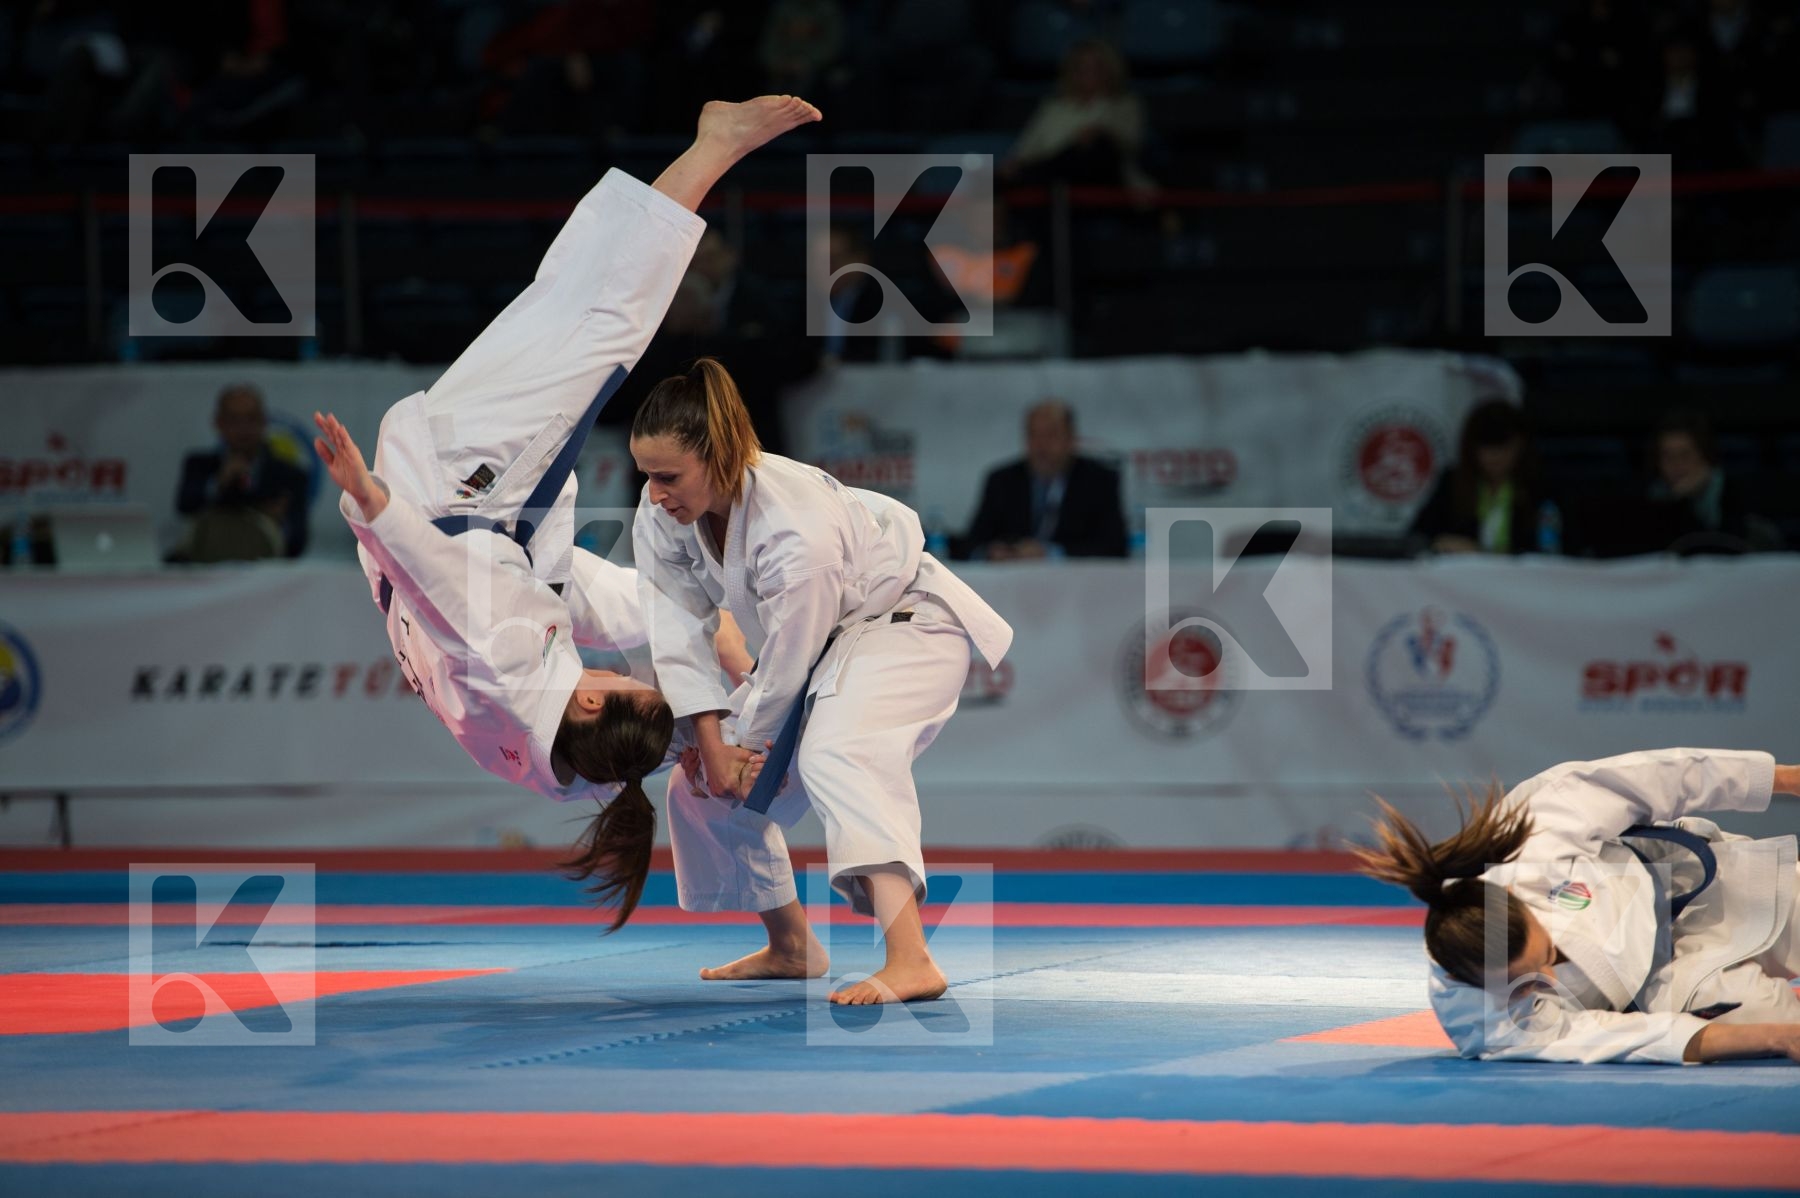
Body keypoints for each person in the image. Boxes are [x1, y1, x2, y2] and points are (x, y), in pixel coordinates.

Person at [312, 96, 819, 928]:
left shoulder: (508, 661)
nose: (622, 673)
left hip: (458, 490)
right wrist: (711, 688)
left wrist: (372, 503)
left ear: (592, 704)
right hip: (490, 521)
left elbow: (443, 583)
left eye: (625, 687)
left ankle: (715, 145)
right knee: (568, 309)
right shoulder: (559, 756)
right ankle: (705, 151)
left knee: (607, 328)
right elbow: (584, 601)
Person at [630, 357, 1013, 1005]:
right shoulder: (662, 512)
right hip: (827, 648)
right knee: (698, 782)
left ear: (719, 457)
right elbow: (675, 628)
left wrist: (747, 745)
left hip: (905, 625)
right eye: (647, 477)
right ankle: (791, 945)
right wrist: (715, 743)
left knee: (841, 751)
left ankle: (912, 958)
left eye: (668, 476)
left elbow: (791, 655)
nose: (656, 493)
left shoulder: (792, 523)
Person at [1357, 747, 1800, 1065]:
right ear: (1464, 979)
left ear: (1517, 902)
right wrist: (1777, 1038)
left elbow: (1654, 779)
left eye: (1545, 955)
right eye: (1522, 983)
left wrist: (1787, 779)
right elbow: (1620, 1037)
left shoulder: (1529, 841)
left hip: (1686, 886)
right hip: (1666, 985)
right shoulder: (1478, 1017)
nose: (1547, 980)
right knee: (1768, 1025)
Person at [961, 401, 1127, 560]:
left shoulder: (1099, 481)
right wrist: (991, 552)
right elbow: (972, 543)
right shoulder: (1002, 481)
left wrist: (1051, 553)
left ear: (1071, 439)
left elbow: (1114, 546)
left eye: (1051, 435)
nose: (1041, 445)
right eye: (1034, 435)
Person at [175, 383, 311, 560]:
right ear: (219, 423)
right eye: (234, 420)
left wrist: (278, 523)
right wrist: (218, 484)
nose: (243, 428)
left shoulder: (290, 475)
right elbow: (185, 505)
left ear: (263, 422)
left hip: (263, 573)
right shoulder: (200, 466)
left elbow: (297, 542)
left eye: (251, 419)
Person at [1001, 38, 1154, 192]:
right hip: (1046, 176)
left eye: (1097, 67)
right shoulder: (1054, 108)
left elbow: (1129, 143)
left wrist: (1097, 133)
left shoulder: (1125, 105)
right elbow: (1026, 148)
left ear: (1110, 70)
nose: (1089, 74)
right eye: (1081, 67)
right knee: (990, 179)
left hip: (1103, 179)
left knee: (1095, 147)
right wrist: (1015, 163)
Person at [1408, 400, 1550, 556]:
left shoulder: (1540, 487)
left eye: (1503, 447)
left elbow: (1552, 550)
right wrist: (1439, 542)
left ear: (1521, 445)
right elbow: (1417, 537)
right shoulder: (1452, 483)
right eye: (1487, 447)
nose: (1495, 457)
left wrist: (1481, 552)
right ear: (1472, 447)